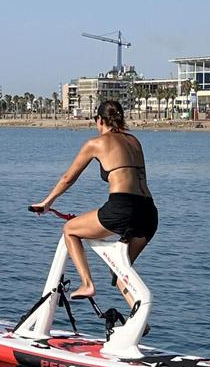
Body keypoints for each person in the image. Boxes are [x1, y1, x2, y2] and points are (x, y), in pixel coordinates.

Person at [30, 99, 157, 302]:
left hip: (122, 209)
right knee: (120, 270)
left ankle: (87, 284)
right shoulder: (134, 141)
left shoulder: (95, 143)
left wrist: (47, 203)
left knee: (70, 230)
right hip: (149, 213)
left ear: (99, 120)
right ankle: (137, 316)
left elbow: (68, 178)